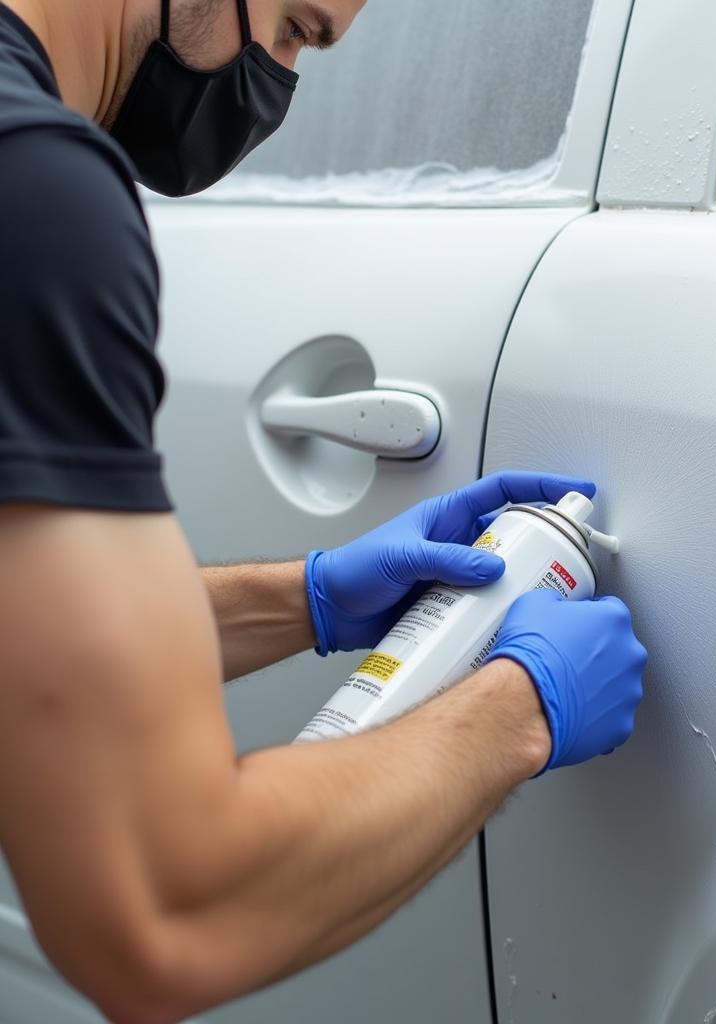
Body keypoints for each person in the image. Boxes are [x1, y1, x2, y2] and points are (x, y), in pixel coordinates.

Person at [0, 0, 647, 1020]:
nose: (277, 89)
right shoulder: (36, 196)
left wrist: (301, 599)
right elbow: (163, 909)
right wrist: (517, 707)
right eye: (296, 30)